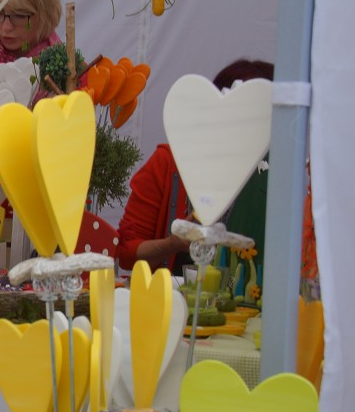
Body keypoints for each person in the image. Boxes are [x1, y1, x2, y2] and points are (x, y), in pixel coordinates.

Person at [117, 58, 274, 274]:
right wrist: (171, 244)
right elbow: (126, 253)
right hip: (174, 300)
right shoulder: (168, 162)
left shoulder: (272, 172)